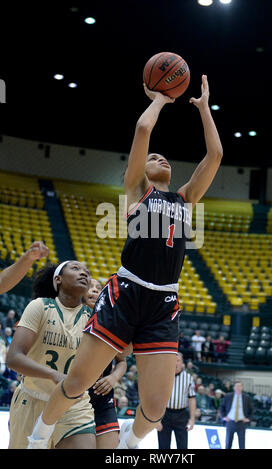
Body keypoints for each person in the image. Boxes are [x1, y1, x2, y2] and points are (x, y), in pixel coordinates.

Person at [28, 74, 223, 450]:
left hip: (164, 301)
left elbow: (215, 156)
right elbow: (143, 128)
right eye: (152, 157)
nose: (159, 157)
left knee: (155, 409)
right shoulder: (138, 189)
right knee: (77, 382)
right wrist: (162, 98)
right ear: (139, 172)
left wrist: (203, 108)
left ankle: (131, 445)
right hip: (126, 291)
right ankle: (39, 437)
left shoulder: (186, 199)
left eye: (162, 156)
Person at [6, 261, 96, 449]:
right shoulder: (40, 307)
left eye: (86, 272)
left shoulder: (93, 317)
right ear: (58, 279)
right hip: (32, 399)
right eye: (76, 269)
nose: (83, 273)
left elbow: (123, 353)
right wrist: (53, 374)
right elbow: (13, 357)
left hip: (73, 404)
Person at [83, 278, 128, 449]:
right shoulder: (71, 316)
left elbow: (122, 360)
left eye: (98, 288)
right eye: (90, 287)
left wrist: (113, 378)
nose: (94, 290)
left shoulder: (110, 321)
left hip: (102, 397)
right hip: (75, 396)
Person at [157, 353, 196, 449]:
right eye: (173, 360)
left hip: (181, 415)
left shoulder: (188, 378)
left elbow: (192, 399)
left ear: (182, 363)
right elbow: (156, 397)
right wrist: (156, 419)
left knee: (182, 446)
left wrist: (192, 419)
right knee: (163, 446)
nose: (175, 363)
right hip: (164, 414)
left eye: (178, 360)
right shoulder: (162, 376)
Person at [219, 380, 253, 449]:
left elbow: (251, 410)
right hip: (230, 422)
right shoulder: (228, 396)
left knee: (242, 445)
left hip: (241, 423)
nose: (238, 387)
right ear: (234, 387)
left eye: (240, 386)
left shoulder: (246, 397)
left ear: (242, 387)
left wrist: (248, 419)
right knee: (228, 443)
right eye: (236, 386)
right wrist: (224, 417)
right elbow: (221, 407)